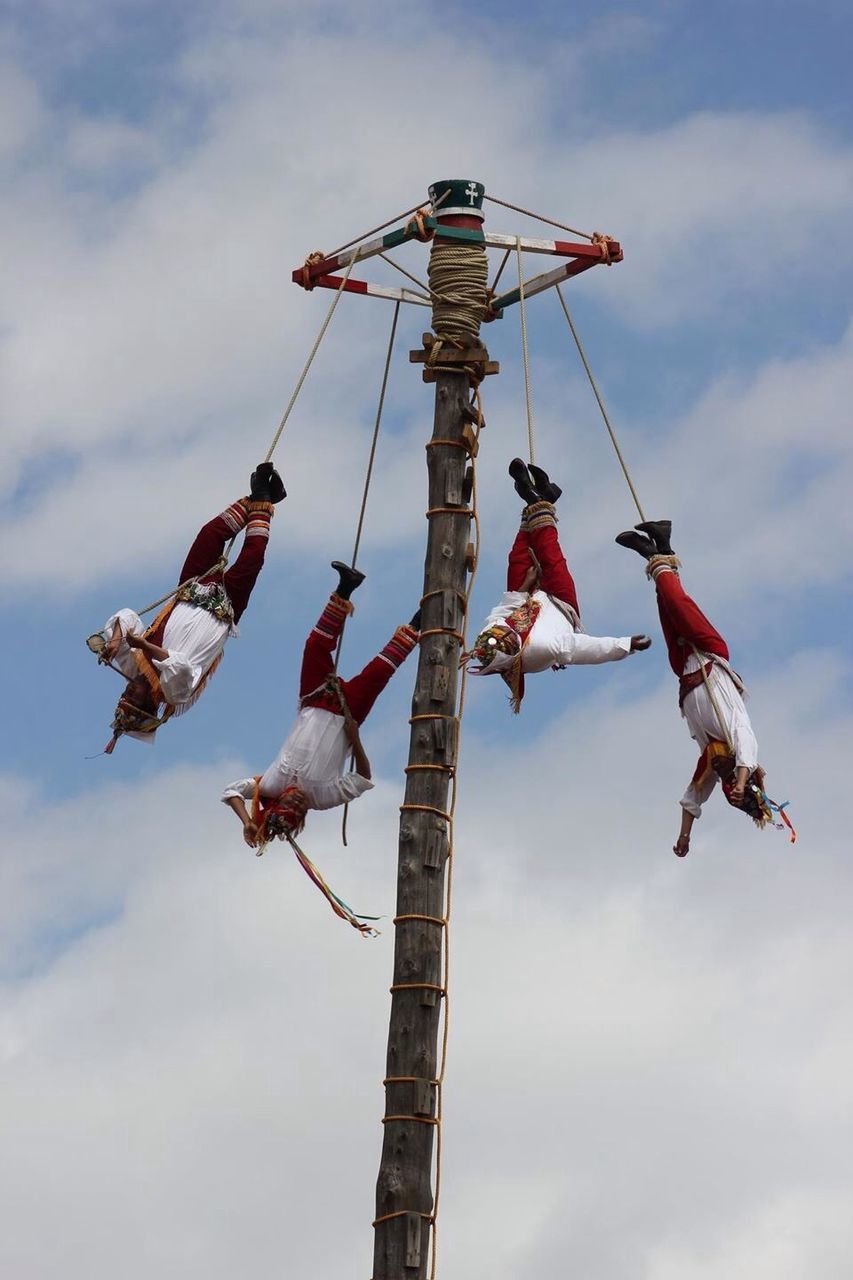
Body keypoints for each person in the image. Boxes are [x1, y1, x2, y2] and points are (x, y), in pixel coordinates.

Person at [221, 562, 420, 848]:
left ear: (278, 801)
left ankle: (346, 587)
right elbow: (363, 778)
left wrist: (249, 823)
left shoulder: (269, 785)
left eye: (291, 803)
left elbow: (231, 792)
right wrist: (355, 739)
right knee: (379, 671)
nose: (299, 802)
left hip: (313, 699)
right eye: (300, 809)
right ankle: (418, 622)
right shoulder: (322, 798)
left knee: (315, 645)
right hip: (347, 715)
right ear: (304, 815)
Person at [92, 462, 285, 751]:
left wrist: (117, 639)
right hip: (226, 609)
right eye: (133, 697)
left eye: (124, 694)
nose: (128, 689)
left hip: (190, 589)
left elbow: (127, 616)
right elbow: (180, 666)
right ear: (148, 706)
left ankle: (260, 496)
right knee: (253, 557)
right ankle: (264, 500)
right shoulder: (174, 695)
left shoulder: (132, 667)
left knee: (209, 535)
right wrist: (142, 646)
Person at [615, 518, 772, 856]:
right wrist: (743, 783)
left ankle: (659, 544)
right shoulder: (736, 740)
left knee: (666, 606)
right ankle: (654, 550)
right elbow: (746, 748)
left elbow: (692, 799)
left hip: (684, 669)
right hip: (709, 653)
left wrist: (684, 837)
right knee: (676, 602)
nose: (727, 779)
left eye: (729, 786)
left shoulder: (710, 758)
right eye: (735, 782)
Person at [464, 459, 651, 711]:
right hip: (561, 603)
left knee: (518, 558)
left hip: (526, 598)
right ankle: (541, 500)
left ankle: (541, 499)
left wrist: (525, 587)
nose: (505, 631)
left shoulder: (491, 634)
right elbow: (581, 649)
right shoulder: (539, 651)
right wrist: (624, 644)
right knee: (548, 551)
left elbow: (503, 612)